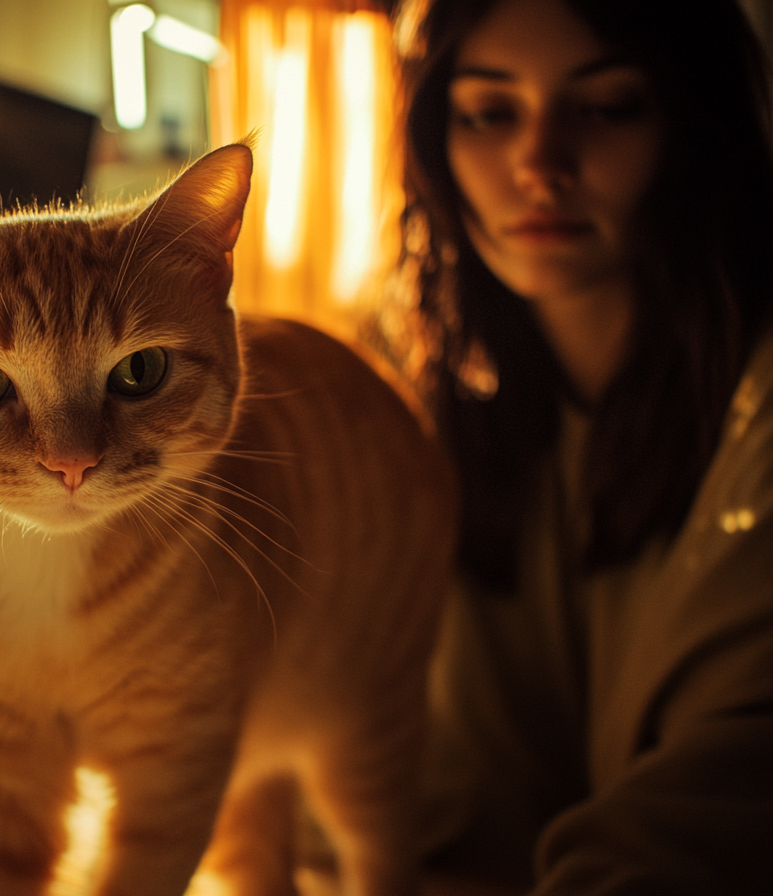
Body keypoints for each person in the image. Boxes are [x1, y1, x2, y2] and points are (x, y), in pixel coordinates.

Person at [395, 0, 773, 892]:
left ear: (693, 122)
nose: (539, 166)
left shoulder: (754, 407)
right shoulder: (439, 409)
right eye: (490, 113)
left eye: (605, 108)